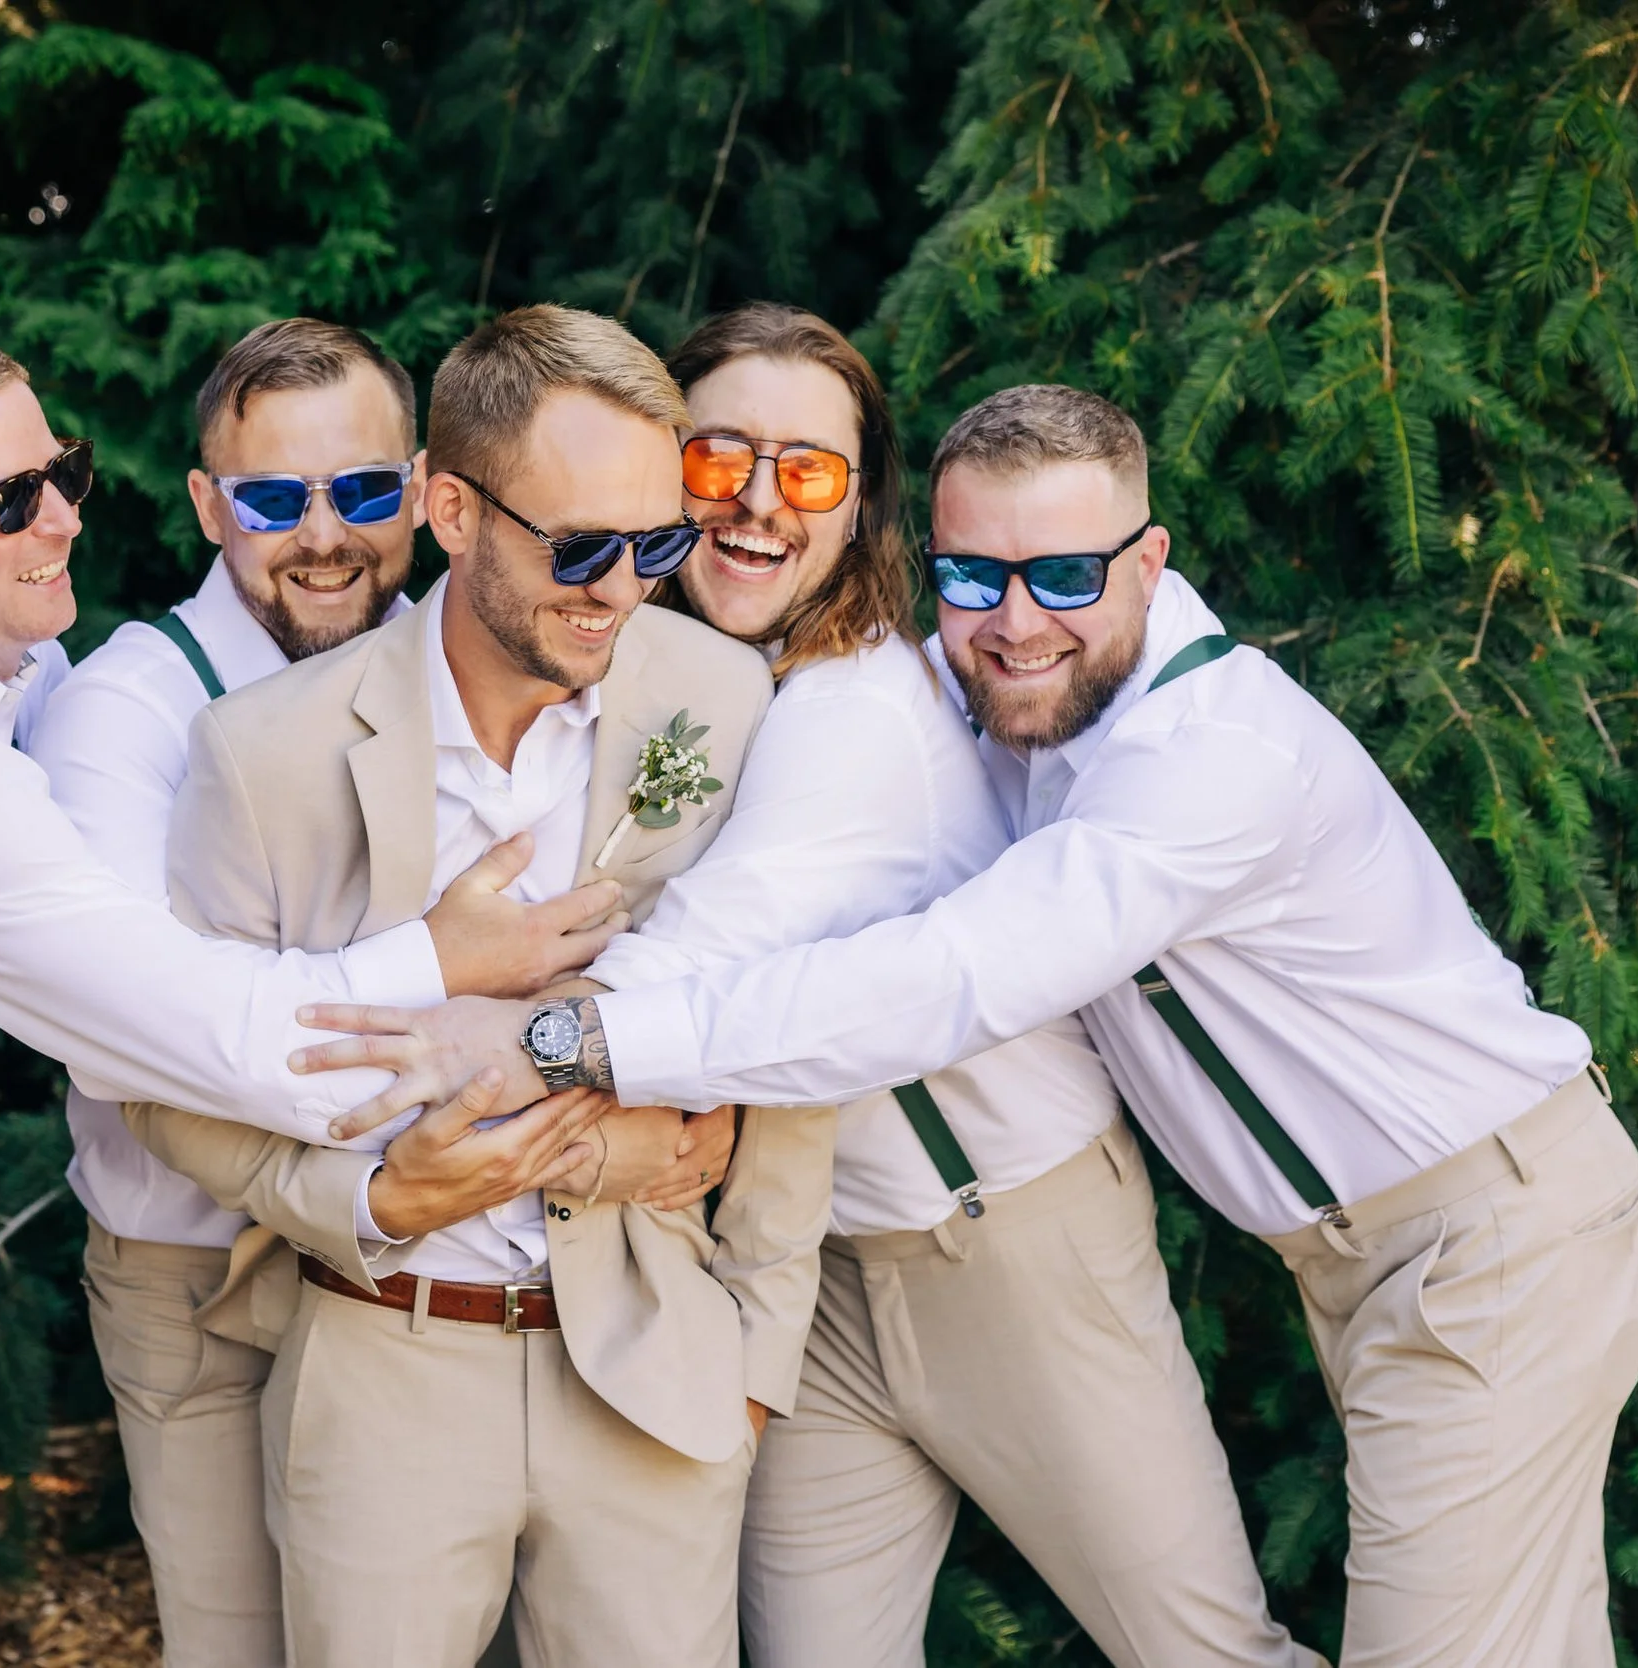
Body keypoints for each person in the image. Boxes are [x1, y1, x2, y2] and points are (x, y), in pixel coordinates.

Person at [302, 383, 1638, 1668]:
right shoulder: (973, 706)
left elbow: (947, 978)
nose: (1017, 622)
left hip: (1492, 1233)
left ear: (1148, 562)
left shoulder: (1207, 760)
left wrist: (555, 1039)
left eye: (1063, 575)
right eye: (975, 578)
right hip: (1340, 1252)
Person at [0, 329, 625, 1667]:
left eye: (59, 471)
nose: (65, 517)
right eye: (8, 501)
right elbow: (208, 1039)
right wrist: (445, 956)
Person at [583, 305, 1315, 1668]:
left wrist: (480, 1036)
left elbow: (686, 967)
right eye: (714, 456)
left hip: (1012, 1244)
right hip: (823, 1271)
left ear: (861, 510)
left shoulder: (851, 711)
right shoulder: (685, 683)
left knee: (1202, 1654)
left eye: (807, 470)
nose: (754, 502)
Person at [129, 304, 837, 1668]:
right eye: (577, 545)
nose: (620, 588)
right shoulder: (258, 755)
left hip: (650, 1370)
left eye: (656, 544)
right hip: (381, 1365)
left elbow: (796, 1019)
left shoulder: (725, 698)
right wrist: (373, 1200)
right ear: (452, 511)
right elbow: (170, 1090)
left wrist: (754, 1353)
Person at [30, 317, 482, 1666]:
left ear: (421, 486)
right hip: (196, 1266)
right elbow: (129, 1038)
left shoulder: (476, 673)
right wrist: (444, 974)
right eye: (277, 498)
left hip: (431, 1265)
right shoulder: (125, 709)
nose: (326, 533)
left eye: (364, 490)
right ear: (209, 504)